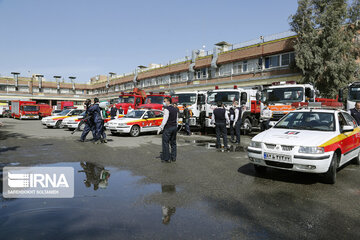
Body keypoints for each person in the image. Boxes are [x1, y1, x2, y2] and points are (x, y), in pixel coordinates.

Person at [157, 97, 178, 163]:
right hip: (174, 127)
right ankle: (173, 157)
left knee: (165, 143)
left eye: (165, 101)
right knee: (173, 143)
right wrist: (176, 126)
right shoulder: (175, 109)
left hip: (168, 127)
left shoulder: (167, 109)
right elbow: (176, 119)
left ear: (168, 102)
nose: (164, 102)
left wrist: (160, 127)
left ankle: (167, 158)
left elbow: (165, 120)